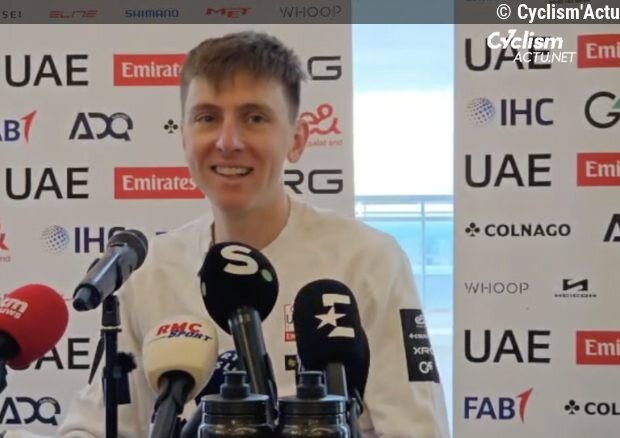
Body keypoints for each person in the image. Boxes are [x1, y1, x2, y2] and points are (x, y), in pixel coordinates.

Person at [23, 30, 448, 438]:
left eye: (254, 117)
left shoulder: (369, 259)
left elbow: (416, 430)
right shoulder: (149, 271)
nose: (228, 141)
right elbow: (96, 427)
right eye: (207, 118)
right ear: (184, 137)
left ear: (297, 139)